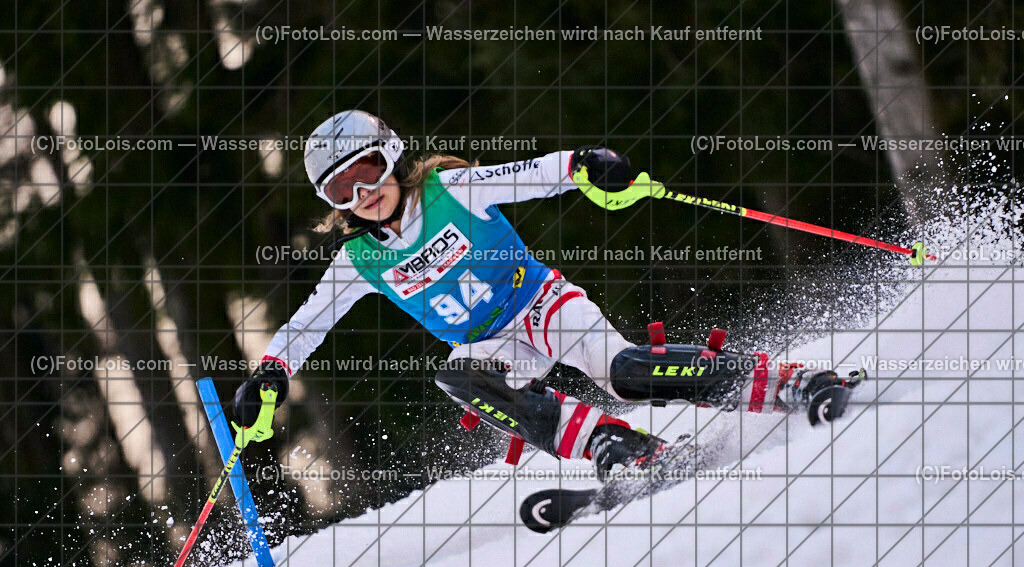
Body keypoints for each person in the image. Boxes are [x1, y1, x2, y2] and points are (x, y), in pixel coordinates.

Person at [233, 110, 855, 476]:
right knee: (460, 376)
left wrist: (587, 164)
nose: (362, 194)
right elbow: (306, 325)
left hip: (541, 304)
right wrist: (270, 373)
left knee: (628, 373)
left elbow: (535, 174)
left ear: (390, 158)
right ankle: (615, 443)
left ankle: (787, 383)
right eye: (341, 191)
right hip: (493, 344)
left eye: (365, 172)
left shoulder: (453, 191)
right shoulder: (359, 260)